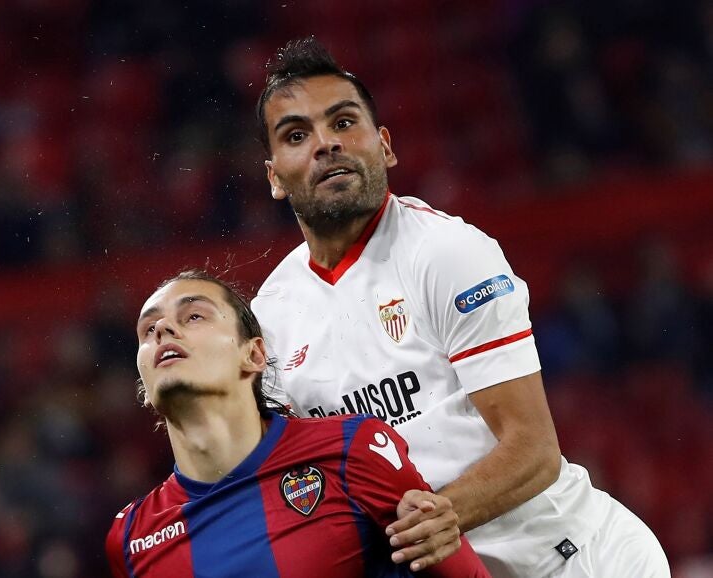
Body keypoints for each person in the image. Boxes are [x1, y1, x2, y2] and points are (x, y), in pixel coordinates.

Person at [251, 36, 670, 577]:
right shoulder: (272, 316)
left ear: (385, 145)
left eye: (344, 122)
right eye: (296, 135)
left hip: (577, 560)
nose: (326, 143)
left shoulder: (446, 253)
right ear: (274, 177)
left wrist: (437, 517)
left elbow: (533, 451)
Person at [106, 270, 489, 577]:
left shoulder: (352, 450)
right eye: (148, 330)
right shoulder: (132, 537)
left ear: (254, 355)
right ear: (144, 389)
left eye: (194, 316)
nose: (162, 330)